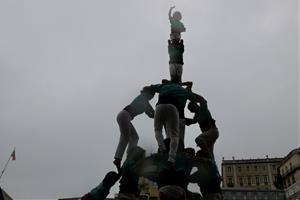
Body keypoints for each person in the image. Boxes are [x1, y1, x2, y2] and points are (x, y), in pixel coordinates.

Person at [149, 82, 201, 164]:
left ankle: (162, 148)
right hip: (173, 109)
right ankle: (172, 158)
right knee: (175, 136)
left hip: (159, 106)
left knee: (158, 130)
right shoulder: (183, 90)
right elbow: (196, 98)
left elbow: (151, 87)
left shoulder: (164, 86)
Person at [113, 87, 155, 170]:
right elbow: (152, 111)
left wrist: (158, 116)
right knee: (125, 137)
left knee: (135, 137)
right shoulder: (143, 97)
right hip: (125, 115)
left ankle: (129, 154)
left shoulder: (144, 102)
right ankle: (118, 158)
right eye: (151, 96)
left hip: (125, 116)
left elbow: (151, 114)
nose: (151, 97)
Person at [185, 95, 219, 160]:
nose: (190, 111)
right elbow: (191, 122)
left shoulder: (203, 108)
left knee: (199, 139)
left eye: (190, 109)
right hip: (209, 134)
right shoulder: (197, 115)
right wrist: (181, 118)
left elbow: (202, 100)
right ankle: (211, 163)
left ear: (194, 106)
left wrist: (190, 94)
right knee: (210, 153)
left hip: (212, 131)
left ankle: (208, 156)